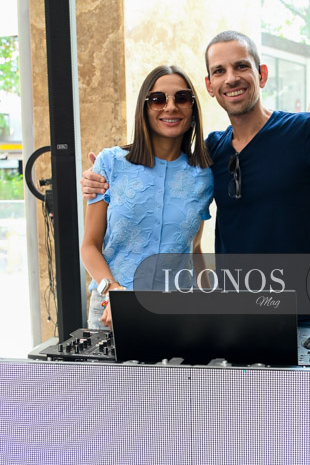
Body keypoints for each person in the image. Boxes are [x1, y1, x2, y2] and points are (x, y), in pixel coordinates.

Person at [82, 31, 310, 327]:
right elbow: (175, 208)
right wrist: (104, 177)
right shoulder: (211, 152)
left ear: (261, 74)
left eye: (241, 66)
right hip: (235, 324)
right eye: (219, 71)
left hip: (301, 320)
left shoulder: (306, 132)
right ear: (210, 86)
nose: (231, 78)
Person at [81, 65, 213, 328]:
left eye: (182, 98)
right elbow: (89, 246)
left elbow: (194, 247)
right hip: (113, 311)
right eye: (158, 99)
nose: (170, 107)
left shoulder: (203, 175)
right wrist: (112, 291)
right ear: (144, 107)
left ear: (192, 109)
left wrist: (211, 304)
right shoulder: (110, 163)